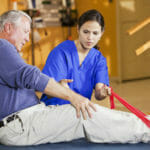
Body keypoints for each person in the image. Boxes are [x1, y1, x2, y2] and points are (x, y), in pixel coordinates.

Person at [0, 10, 150, 146]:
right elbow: (31, 77)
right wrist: (73, 97)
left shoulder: (98, 59)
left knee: (90, 114)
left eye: (95, 33)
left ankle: (144, 123)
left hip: (26, 120)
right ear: (8, 27)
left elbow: (26, 84)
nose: (27, 38)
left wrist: (98, 92)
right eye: (25, 32)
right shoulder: (2, 46)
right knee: (85, 115)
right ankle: (146, 126)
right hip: (20, 124)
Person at [41, 9, 111, 106]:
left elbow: (99, 93)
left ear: (101, 33)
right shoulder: (62, 52)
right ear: (78, 29)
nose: (90, 37)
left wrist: (102, 92)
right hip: (54, 109)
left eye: (95, 33)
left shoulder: (99, 59)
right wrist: (58, 87)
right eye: (86, 32)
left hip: (79, 112)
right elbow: (46, 89)